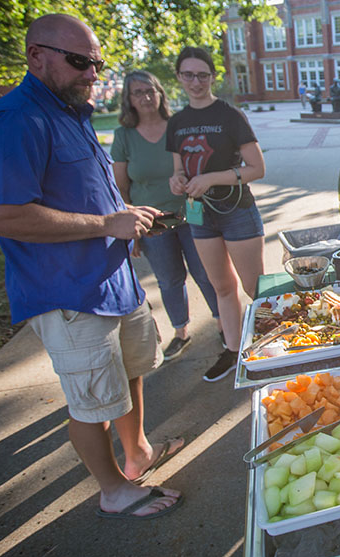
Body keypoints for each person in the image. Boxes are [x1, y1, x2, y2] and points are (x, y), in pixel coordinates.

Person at [0, 13, 183, 519]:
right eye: (80, 62)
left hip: (117, 282)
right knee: (91, 403)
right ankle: (114, 490)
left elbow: (94, 196)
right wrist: (103, 225)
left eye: (97, 62)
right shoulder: (17, 119)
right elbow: (1, 215)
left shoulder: (74, 112)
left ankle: (137, 455)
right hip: (70, 293)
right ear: (37, 56)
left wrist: (129, 220)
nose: (93, 72)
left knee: (132, 376)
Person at [167, 46, 266, 383]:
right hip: (200, 215)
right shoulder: (177, 122)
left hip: (237, 210)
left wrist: (212, 178)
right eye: (189, 75)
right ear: (179, 77)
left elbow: (257, 168)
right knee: (222, 287)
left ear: (212, 76)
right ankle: (235, 350)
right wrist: (178, 181)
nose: (196, 82)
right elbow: (178, 169)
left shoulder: (229, 116)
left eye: (203, 75)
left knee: (256, 288)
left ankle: (272, 346)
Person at [111, 70, 221, 362]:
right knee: (170, 279)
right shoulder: (124, 136)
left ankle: (223, 325)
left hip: (192, 213)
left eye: (151, 91)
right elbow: (120, 186)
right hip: (152, 223)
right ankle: (181, 331)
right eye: (138, 93)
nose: (146, 97)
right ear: (129, 99)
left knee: (205, 272)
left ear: (160, 94)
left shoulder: (178, 125)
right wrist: (129, 230)